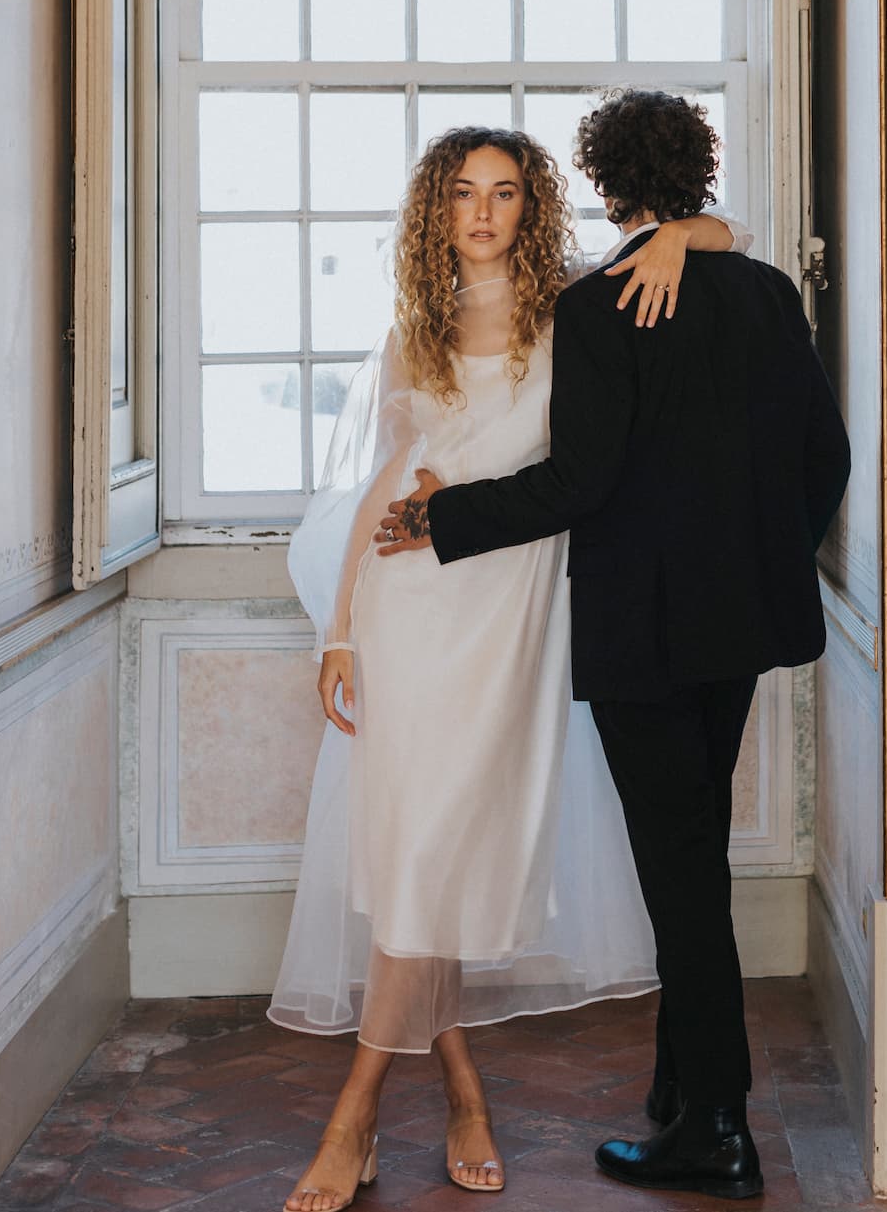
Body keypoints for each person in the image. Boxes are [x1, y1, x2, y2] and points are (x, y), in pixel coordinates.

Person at [377, 88, 851, 1202]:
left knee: (678, 866)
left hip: (646, 630)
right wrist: (763, 550)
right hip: (741, 621)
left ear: (603, 183)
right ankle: (684, 1085)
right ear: (696, 175)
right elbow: (823, 455)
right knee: (695, 849)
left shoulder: (596, 309)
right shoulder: (769, 291)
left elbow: (580, 482)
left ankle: (717, 1132)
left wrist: (443, 519)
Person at [270, 123, 748, 1212]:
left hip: (513, 622)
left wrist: (678, 232)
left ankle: (450, 1095)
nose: (482, 213)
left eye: (504, 194)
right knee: (417, 861)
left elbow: (736, 235)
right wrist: (339, 629)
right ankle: (370, 1118)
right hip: (409, 612)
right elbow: (383, 491)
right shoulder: (413, 333)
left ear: (534, 210)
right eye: (461, 195)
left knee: (442, 860)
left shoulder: (574, 313)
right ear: (434, 212)